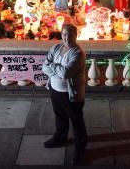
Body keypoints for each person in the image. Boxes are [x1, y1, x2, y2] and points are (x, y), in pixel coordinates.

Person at [42, 23, 87, 165]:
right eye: (64, 34)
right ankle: (60, 137)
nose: (66, 37)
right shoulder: (56, 48)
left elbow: (65, 74)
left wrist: (53, 66)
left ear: (76, 35)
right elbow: (44, 67)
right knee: (60, 116)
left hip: (70, 94)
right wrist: (56, 68)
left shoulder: (78, 53)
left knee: (76, 121)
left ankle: (80, 149)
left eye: (69, 34)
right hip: (55, 90)